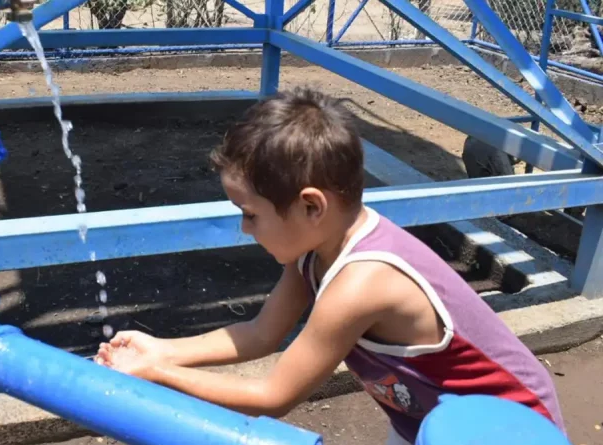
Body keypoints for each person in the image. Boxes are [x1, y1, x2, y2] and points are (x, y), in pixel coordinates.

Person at [95, 87, 565, 444]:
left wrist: (158, 375)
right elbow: (261, 334)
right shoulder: (316, 252)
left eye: (250, 213)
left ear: (312, 207)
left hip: (502, 424)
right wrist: (162, 350)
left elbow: (274, 396)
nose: (244, 229)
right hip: (429, 417)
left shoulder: (362, 283)